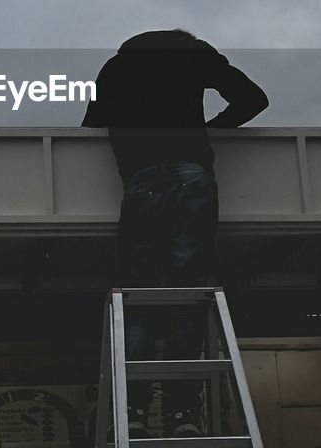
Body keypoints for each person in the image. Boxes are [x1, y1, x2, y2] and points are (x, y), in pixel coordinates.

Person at [82, 29, 268, 439]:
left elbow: (93, 123)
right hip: (192, 175)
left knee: (140, 292)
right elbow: (254, 100)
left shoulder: (117, 67)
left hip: (142, 181)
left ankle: (133, 410)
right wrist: (209, 130)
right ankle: (184, 414)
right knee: (187, 290)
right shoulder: (196, 58)